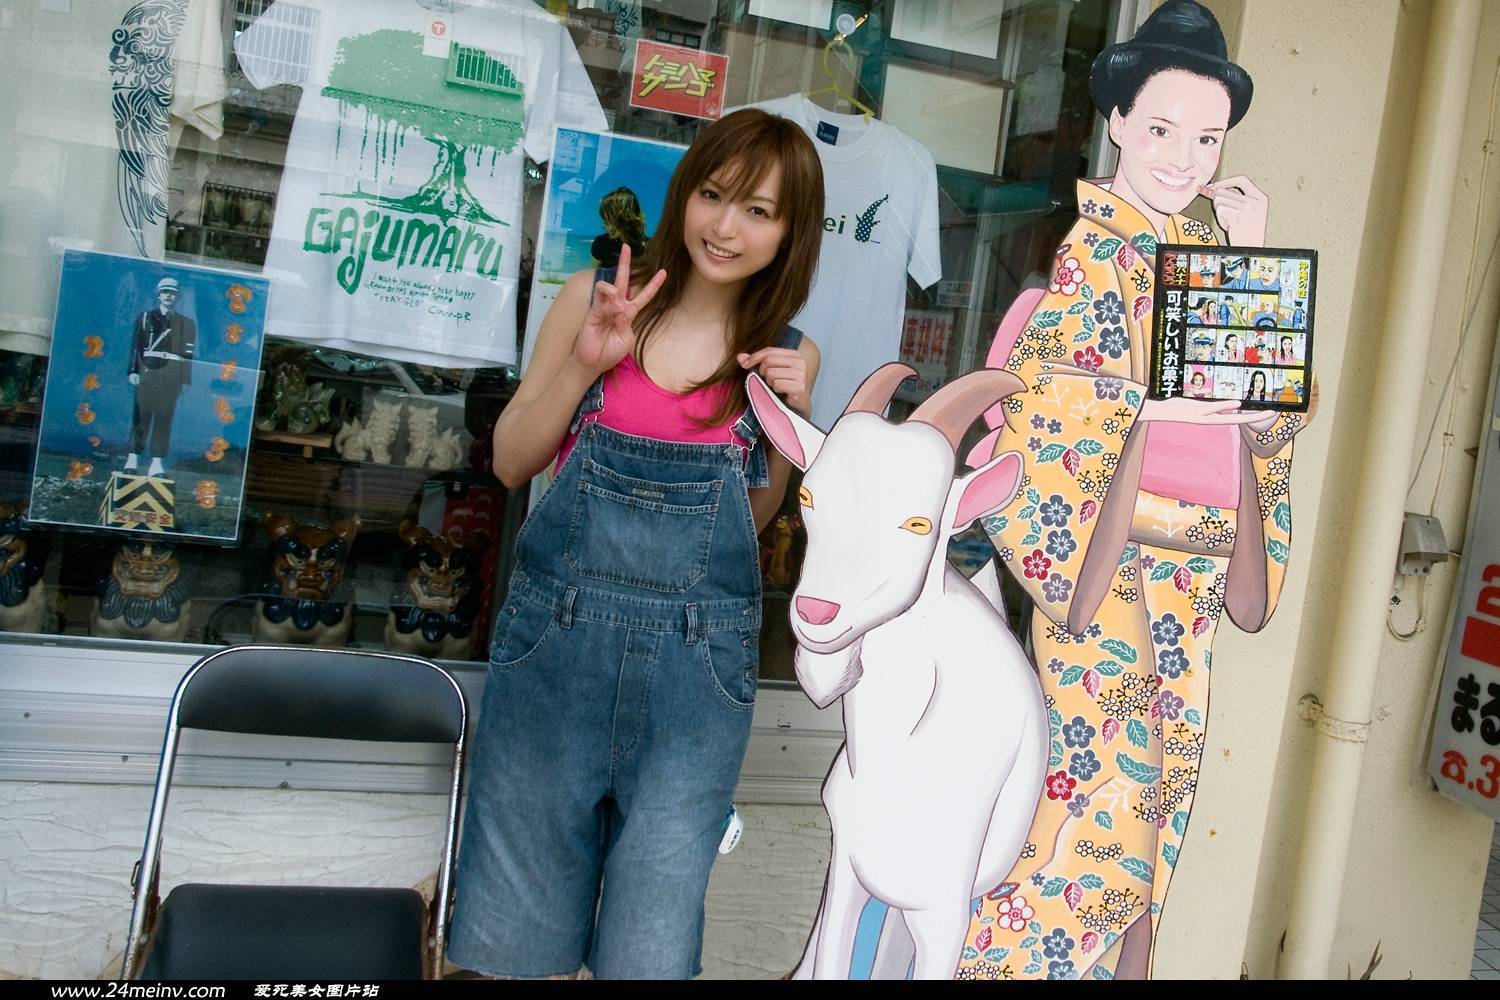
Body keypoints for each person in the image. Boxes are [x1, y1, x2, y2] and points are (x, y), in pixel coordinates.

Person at [967, 0, 1313, 980]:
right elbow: (1055, 412)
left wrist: (1248, 268)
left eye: (1207, 137)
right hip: (1109, 573)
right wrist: (1162, 409)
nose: (1184, 157)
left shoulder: (1203, 251)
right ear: (1117, 120)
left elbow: (1270, 412)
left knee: (1156, 820)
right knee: (1085, 817)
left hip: (1191, 581)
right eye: (1162, 129)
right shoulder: (1092, 250)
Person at [447, 109, 824, 980]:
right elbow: (509, 463)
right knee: (515, 935)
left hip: (697, 679)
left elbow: (747, 529)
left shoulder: (785, 357)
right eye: (714, 194)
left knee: (650, 944)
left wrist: (792, 423)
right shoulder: (597, 298)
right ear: (685, 192)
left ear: (791, 233)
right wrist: (587, 362)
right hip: (556, 650)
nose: (726, 227)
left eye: (760, 212)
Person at [126, 276, 195, 477]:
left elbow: (188, 355)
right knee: (141, 415)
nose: (168, 296)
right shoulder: (145, 317)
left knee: (164, 417)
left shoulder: (187, 324)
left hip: (172, 374)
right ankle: (133, 457)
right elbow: (136, 347)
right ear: (158, 294)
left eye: (172, 293)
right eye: (165, 292)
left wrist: (185, 380)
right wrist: (133, 370)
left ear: (178, 296)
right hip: (148, 370)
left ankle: (156, 462)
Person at [590, 186, 648, 269]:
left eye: (605, 217)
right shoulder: (601, 243)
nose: (603, 222)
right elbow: (594, 273)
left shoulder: (648, 248)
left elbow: (595, 274)